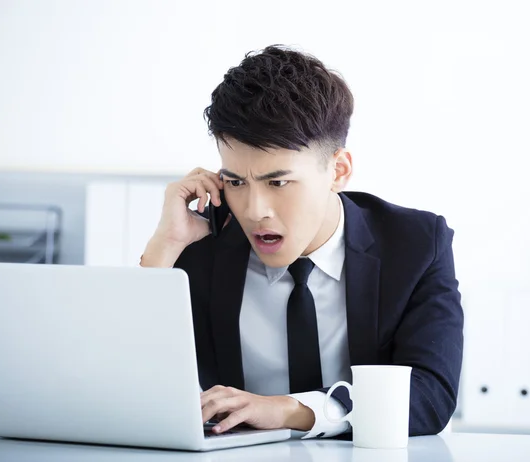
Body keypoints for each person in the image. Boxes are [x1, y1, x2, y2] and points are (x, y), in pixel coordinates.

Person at [141, 45, 463, 440]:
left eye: (278, 182)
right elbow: (127, 383)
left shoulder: (414, 245)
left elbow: (430, 397)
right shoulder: (201, 243)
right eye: (236, 182)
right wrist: (163, 248)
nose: (255, 210)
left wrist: (292, 410)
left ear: (338, 171)